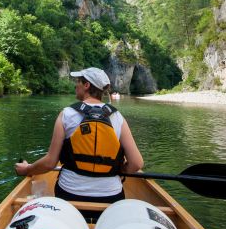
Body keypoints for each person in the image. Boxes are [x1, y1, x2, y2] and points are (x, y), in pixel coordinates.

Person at [14, 68, 144, 215]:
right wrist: (119, 170)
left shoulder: (67, 114)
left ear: (87, 85)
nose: (76, 85)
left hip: (70, 195)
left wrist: (27, 169)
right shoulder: (117, 117)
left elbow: (50, 163)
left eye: (78, 82)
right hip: (110, 197)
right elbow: (136, 164)